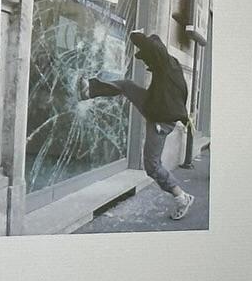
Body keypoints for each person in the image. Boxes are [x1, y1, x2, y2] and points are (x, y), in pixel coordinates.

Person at [82, 30, 196, 220]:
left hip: (161, 120)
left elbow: (154, 47)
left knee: (152, 166)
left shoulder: (165, 62)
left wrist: (135, 35)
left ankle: (182, 197)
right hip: (154, 106)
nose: (146, 64)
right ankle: (89, 90)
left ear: (154, 55)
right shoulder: (170, 65)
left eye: (146, 59)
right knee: (127, 86)